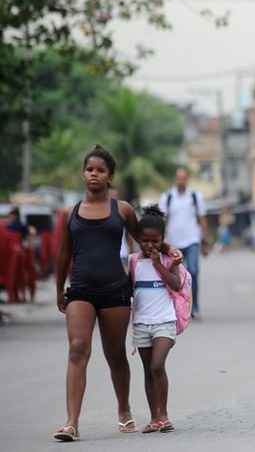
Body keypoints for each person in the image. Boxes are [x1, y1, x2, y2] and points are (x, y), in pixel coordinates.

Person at [54, 145, 181, 442]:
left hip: (115, 291)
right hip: (81, 289)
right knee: (77, 348)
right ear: (83, 173)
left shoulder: (121, 209)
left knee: (115, 354)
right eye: (89, 169)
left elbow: (144, 239)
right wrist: (59, 288)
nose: (93, 175)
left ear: (110, 176)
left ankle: (124, 410)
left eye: (100, 170)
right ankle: (71, 422)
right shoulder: (71, 213)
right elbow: (63, 254)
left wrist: (167, 251)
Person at [130, 206, 185, 434]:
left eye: (155, 241)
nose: (150, 245)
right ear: (138, 240)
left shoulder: (169, 259)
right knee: (147, 370)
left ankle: (164, 415)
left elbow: (176, 284)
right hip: (142, 323)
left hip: (165, 322)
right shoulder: (133, 261)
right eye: (145, 241)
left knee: (157, 365)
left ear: (162, 240)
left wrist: (158, 264)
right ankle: (155, 418)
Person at [159, 168, 208, 318]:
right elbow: (161, 221)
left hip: (192, 240)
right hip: (173, 243)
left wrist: (204, 240)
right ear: (175, 179)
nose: (181, 181)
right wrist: (161, 242)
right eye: (178, 178)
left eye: (184, 178)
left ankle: (195, 307)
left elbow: (202, 219)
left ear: (187, 179)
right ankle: (177, 307)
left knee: (193, 271)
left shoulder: (195, 196)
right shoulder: (167, 197)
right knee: (175, 277)